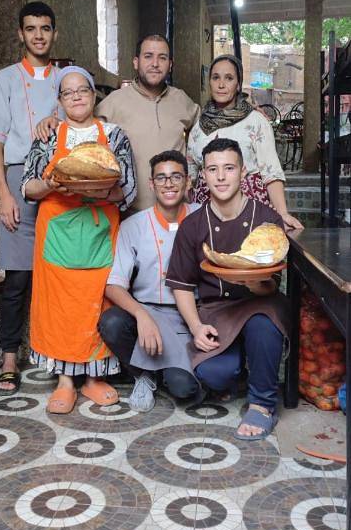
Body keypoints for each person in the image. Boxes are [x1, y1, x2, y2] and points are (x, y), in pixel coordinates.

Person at [21, 66, 136, 413]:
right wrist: (52, 184)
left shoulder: (115, 136)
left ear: (93, 94)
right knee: (59, 309)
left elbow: (127, 189)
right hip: (56, 233)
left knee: (97, 304)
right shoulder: (47, 135)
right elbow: (28, 186)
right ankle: (65, 381)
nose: (76, 97)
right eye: (67, 92)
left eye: (82, 90)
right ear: (59, 100)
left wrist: (99, 189)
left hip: (100, 231)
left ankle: (93, 378)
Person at [166, 137, 291, 440]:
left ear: (243, 172)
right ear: (203, 176)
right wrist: (196, 327)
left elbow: (271, 285)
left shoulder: (267, 220)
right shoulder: (193, 225)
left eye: (229, 168)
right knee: (214, 375)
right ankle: (244, 369)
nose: (221, 177)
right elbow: (182, 285)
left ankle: (262, 403)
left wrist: (250, 281)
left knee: (262, 327)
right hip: (217, 311)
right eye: (213, 169)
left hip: (260, 303)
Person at [0, 2, 61, 396]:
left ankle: (61, 356)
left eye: (45, 28)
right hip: (16, 177)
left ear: (54, 34)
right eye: (31, 29)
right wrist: (4, 193)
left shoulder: (67, 80)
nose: (38, 35)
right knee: (17, 277)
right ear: (20, 34)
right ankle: (10, 358)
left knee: (60, 273)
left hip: (58, 180)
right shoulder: (5, 79)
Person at [36, 34, 200, 212]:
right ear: (136, 62)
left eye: (162, 58)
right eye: (148, 56)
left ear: (170, 64)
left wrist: (192, 176)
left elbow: (207, 134)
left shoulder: (182, 100)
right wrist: (55, 121)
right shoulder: (114, 102)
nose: (155, 63)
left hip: (176, 211)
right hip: (131, 213)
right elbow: (81, 123)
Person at [98, 151, 201, 412]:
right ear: (151, 184)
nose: (169, 184)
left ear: (188, 182)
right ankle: (143, 374)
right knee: (111, 322)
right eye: (161, 178)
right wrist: (141, 315)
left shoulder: (203, 218)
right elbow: (113, 284)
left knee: (185, 389)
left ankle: (163, 371)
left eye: (176, 176)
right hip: (148, 311)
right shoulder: (134, 225)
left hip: (190, 315)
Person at [187, 54, 302, 231]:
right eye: (215, 77)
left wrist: (282, 214)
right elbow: (191, 179)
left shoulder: (256, 121)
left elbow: (271, 172)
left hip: (250, 211)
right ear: (209, 82)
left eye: (229, 78)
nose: (221, 84)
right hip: (207, 214)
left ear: (238, 84)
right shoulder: (198, 127)